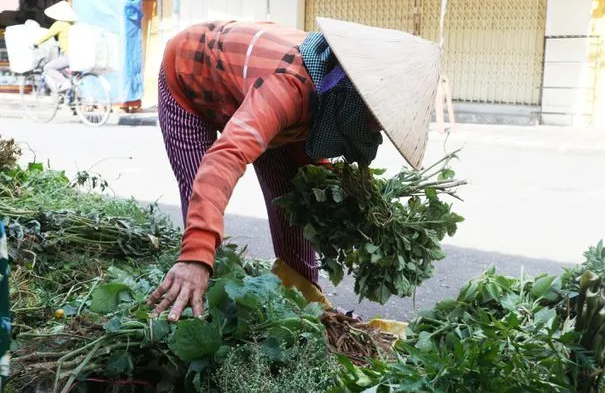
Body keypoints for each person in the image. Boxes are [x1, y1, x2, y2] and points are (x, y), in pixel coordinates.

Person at [147, 17, 442, 322]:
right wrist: (197, 253)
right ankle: (202, 287)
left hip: (252, 88)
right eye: (372, 121)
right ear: (354, 95)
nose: (373, 131)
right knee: (201, 188)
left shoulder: (331, 87)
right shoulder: (288, 87)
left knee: (298, 192)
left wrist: (352, 210)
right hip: (189, 73)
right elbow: (226, 156)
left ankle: (302, 292)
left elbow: (308, 171)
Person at [34, 0, 77, 92]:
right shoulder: (73, 24)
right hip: (79, 54)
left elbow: (47, 35)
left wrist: (36, 43)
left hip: (69, 55)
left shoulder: (60, 24)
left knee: (48, 68)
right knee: (66, 71)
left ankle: (65, 82)